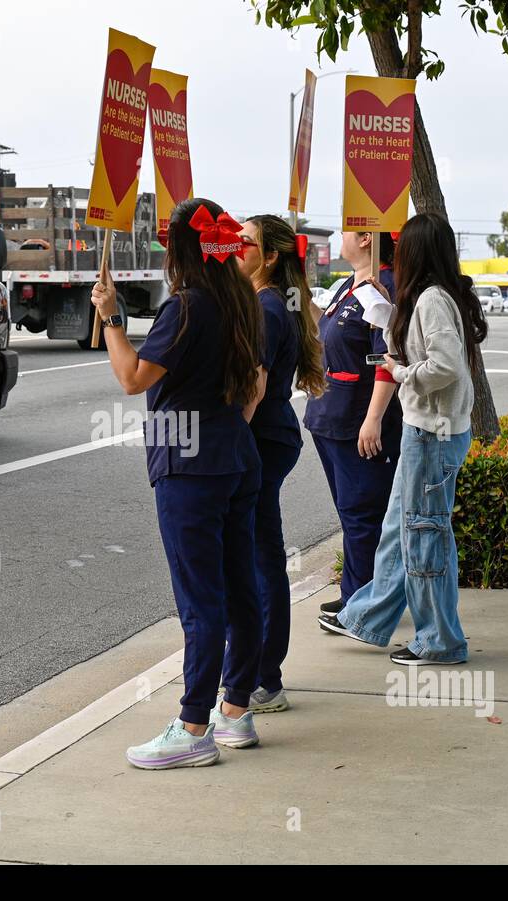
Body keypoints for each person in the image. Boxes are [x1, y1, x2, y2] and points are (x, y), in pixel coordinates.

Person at [93, 198, 267, 767]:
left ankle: (194, 728)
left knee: (200, 602)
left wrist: (113, 318)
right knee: (242, 587)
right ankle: (235, 711)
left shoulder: (187, 307)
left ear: (177, 253)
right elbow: (254, 389)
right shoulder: (241, 300)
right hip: (236, 457)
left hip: (190, 467)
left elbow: (131, 378)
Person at [318, 213, 487, 665]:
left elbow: (445, 365)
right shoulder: (435, 295)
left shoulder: (431, 299)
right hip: (429, 430)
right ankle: (368, 618)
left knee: (424, 535)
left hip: (432, 432)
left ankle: (440, 641)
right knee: (399, 530)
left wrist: (400, 372)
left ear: (415, 251)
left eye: (402, 246)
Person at [220, 214, 326, 713]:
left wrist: (229, 440)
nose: (235, 248)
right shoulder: (267, 303)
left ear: (270, 256)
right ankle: (260, 670)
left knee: (260, 558)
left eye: (245, 243)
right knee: (257, 555)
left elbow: (254, 387)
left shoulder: (267, 307)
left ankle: (265, 678)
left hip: (260, 437)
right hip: (269, 434)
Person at [305, 229, 402, 619]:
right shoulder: (352, 282)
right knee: (350, 513)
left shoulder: (387, 285)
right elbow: (324, 330)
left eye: (345, 230)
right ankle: (356, 595)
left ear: (366, 238)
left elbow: (386, 357)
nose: (336, 237)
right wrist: (298, 292)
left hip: (359, 419)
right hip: (331, 415)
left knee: (362, 512)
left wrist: (373, 419)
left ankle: (364, 605)